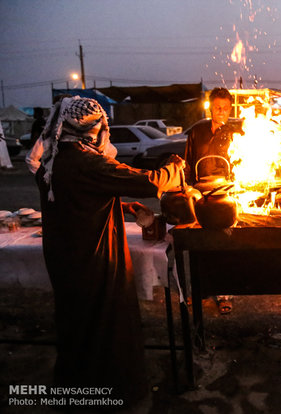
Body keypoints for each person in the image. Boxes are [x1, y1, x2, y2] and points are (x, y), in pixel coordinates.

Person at [35, 97, 184, 406]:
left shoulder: (53, 158)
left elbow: (79, 200)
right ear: (91, 131)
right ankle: (113, 394)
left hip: (65, 258)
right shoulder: (86, 161)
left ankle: (73, 391)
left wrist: (123, 205)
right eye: (103, 128)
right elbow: (149, 183)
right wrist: (173, 166)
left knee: (75, 324)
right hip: (93, 259)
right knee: (107, 324)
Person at [183, 87, 241, 314]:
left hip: (227, 193)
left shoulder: (237, 133)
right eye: (217, 107)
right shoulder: (197, 132)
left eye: (225, 108)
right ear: (210, 107)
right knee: (200, 244)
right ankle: (200, 291)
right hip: (200, 193)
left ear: (230, 108)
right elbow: (188, 163)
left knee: (225, 245)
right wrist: (186, 188)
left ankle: (225, 294)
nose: (221, 112)